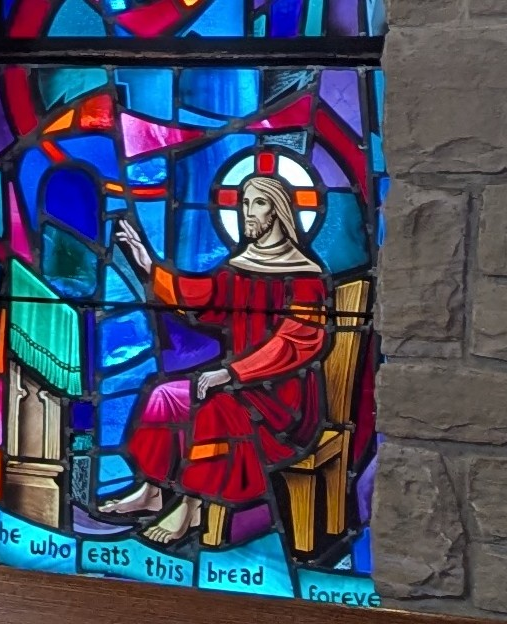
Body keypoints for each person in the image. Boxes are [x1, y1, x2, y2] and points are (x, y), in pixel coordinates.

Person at [101, 164, 354, 553]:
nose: (247, 212)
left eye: (257, 204)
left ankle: (190, 505)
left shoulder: (307, 276)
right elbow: (202, 296)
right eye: (243, 203)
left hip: (281, 401)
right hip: (237, 385)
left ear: (279, 212)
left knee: (213, 406)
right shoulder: (242, 266)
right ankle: (151, 490)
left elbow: (296, 341)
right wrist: (147, 264)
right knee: (165, 394)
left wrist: (231, 373)